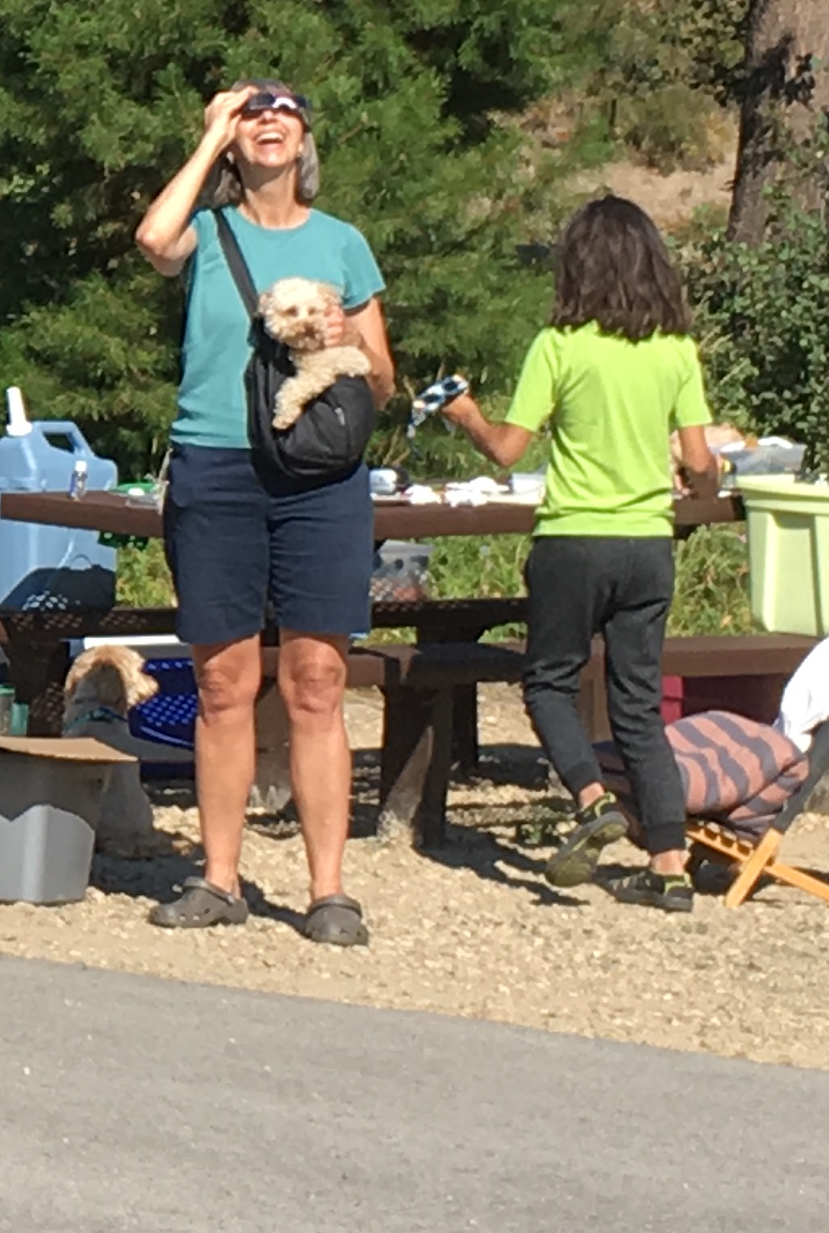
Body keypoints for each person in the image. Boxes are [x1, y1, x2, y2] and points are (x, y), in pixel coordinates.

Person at [130, 79, 396, 947]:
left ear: (307, 136)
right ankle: (219, 877)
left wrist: (335, 343)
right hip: (216, 463)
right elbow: (151, 239)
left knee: (317, 682)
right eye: (251, 114)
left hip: (320, 474)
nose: (268, 123)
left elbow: (383, 379)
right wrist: (208, 140)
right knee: (222, 682)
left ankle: (329, 891)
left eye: (282, 112)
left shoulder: (343, 242)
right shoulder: (206, 232)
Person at [441, 196, 720, 911]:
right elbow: (700, 460)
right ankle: (669, 865)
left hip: (573, 537)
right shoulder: (674, 350)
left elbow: (508, 450)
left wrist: (465, 412)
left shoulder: (558, 346)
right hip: (648, 543)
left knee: (549, 681)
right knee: (637, 705)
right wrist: (699, 479)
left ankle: (592, 798)